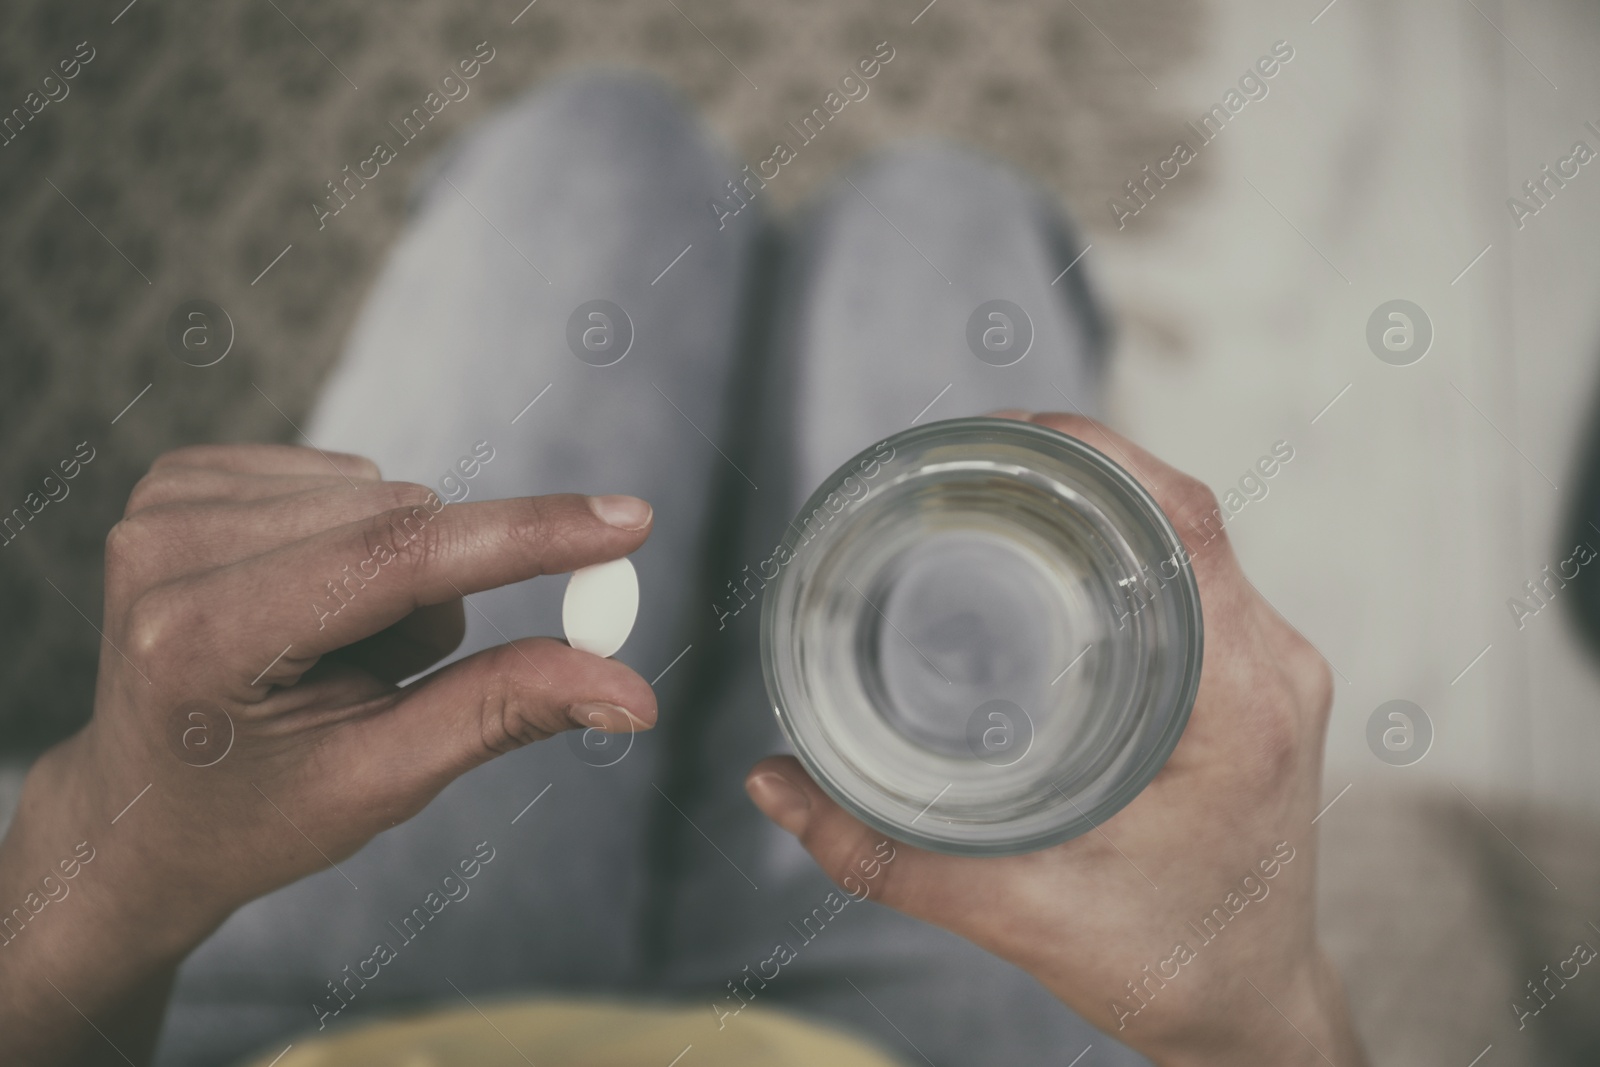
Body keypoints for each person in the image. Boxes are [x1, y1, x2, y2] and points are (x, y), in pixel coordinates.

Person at [0, 71, 1368, 1066]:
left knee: (599, 150)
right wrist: (1268, 1025)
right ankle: (948, 221)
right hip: (935, 1042)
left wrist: (92, 869)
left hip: (276, 1015)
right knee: (935, 215)